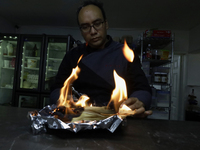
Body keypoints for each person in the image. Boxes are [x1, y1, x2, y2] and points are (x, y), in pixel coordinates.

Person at [50, 0, 152, 118]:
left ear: (106, 24)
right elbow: (56, 89)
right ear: (81, 31)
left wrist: (139, 102)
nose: (93, 31)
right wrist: (62, 99)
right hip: (80, 122)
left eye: (97, 23)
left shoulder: (125, 54)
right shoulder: (72, 56)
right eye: (85, 27)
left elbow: (143, 89)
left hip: (118, 122)